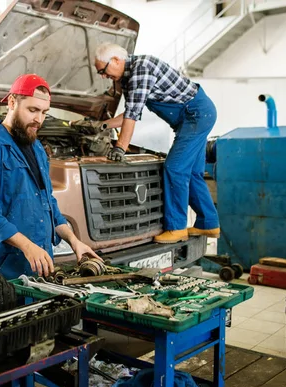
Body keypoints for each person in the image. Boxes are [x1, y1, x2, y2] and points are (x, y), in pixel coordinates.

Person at [78, 42, 220, 244]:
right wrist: (101, 126)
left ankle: (177, 227)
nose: (103, 76)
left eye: (103, 70)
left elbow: (133, 116)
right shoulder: (129, 79)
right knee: (192, 172)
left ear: (116, 60)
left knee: (175, 168)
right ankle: (209, 223)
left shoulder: (141, 69)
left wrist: (120, 147)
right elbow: (130, 112)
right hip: (195, 116)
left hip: (195, 115)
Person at [0, 74, 102, 280]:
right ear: (12, 103)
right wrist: (28, 247)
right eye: (32, 110)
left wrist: (74, 241)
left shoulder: (37, 148)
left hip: (41, 260)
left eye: (44, 112)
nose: (39, 119)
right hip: (8, 264)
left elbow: (49, 203)